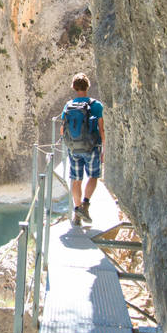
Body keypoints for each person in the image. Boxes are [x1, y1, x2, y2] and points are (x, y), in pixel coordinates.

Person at [58, 73, 105, 224]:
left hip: (74, 149)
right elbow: (101, 129)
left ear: (74, 87)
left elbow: (62, 129)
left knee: (76, 180)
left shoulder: (68, 105)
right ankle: (85, 204)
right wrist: (104, 149)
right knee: (93, 176)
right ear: (88, 86)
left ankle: (77, 212)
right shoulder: (96, 105)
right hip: (92, 147)